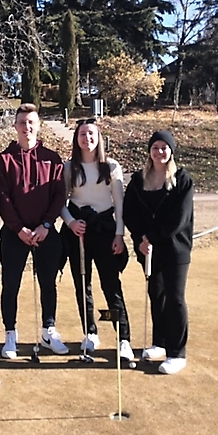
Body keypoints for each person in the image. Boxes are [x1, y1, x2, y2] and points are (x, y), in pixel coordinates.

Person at [0, 103, 68, 358]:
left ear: (38, 125)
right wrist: (19, 229)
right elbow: (2, 199)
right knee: (10, 285)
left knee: (48, 283)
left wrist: (46, 224)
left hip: (45, 232)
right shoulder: (3, 160)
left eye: (31, 122)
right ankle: (10, 335)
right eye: (22, 123)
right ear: (15, 126)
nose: (27, 127)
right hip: (14, 234)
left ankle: (48, 330)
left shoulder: (52, 158)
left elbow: (59, 195)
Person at [60, 119, 133, 360]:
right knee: (83, 285)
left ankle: (123, 338)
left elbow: (120, 204)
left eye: (91, 133)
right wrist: (71, 222)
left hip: (105, 231)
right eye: (82, 134)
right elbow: (60, 202)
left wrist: (119, 234)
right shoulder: (69, 168)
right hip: (78, 233)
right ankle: (90, 333)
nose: (87, 138)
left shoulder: (111, 167)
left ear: (98, 137)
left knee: (110, 285)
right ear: (77, 138)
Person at [123, 130, 193, 375]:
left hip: (175, 248)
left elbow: (180, 218)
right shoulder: (138, 179)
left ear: (171, 151)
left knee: (175, 298)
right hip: (148, 249)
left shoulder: (182, 179)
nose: (159, 152)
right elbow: (129, 212)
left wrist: (151, 236)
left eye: (164, 147)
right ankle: (160, 343)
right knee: (157, 295)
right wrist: (140, 239)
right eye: (155, 147)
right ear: (149, 151)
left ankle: (177, 353)